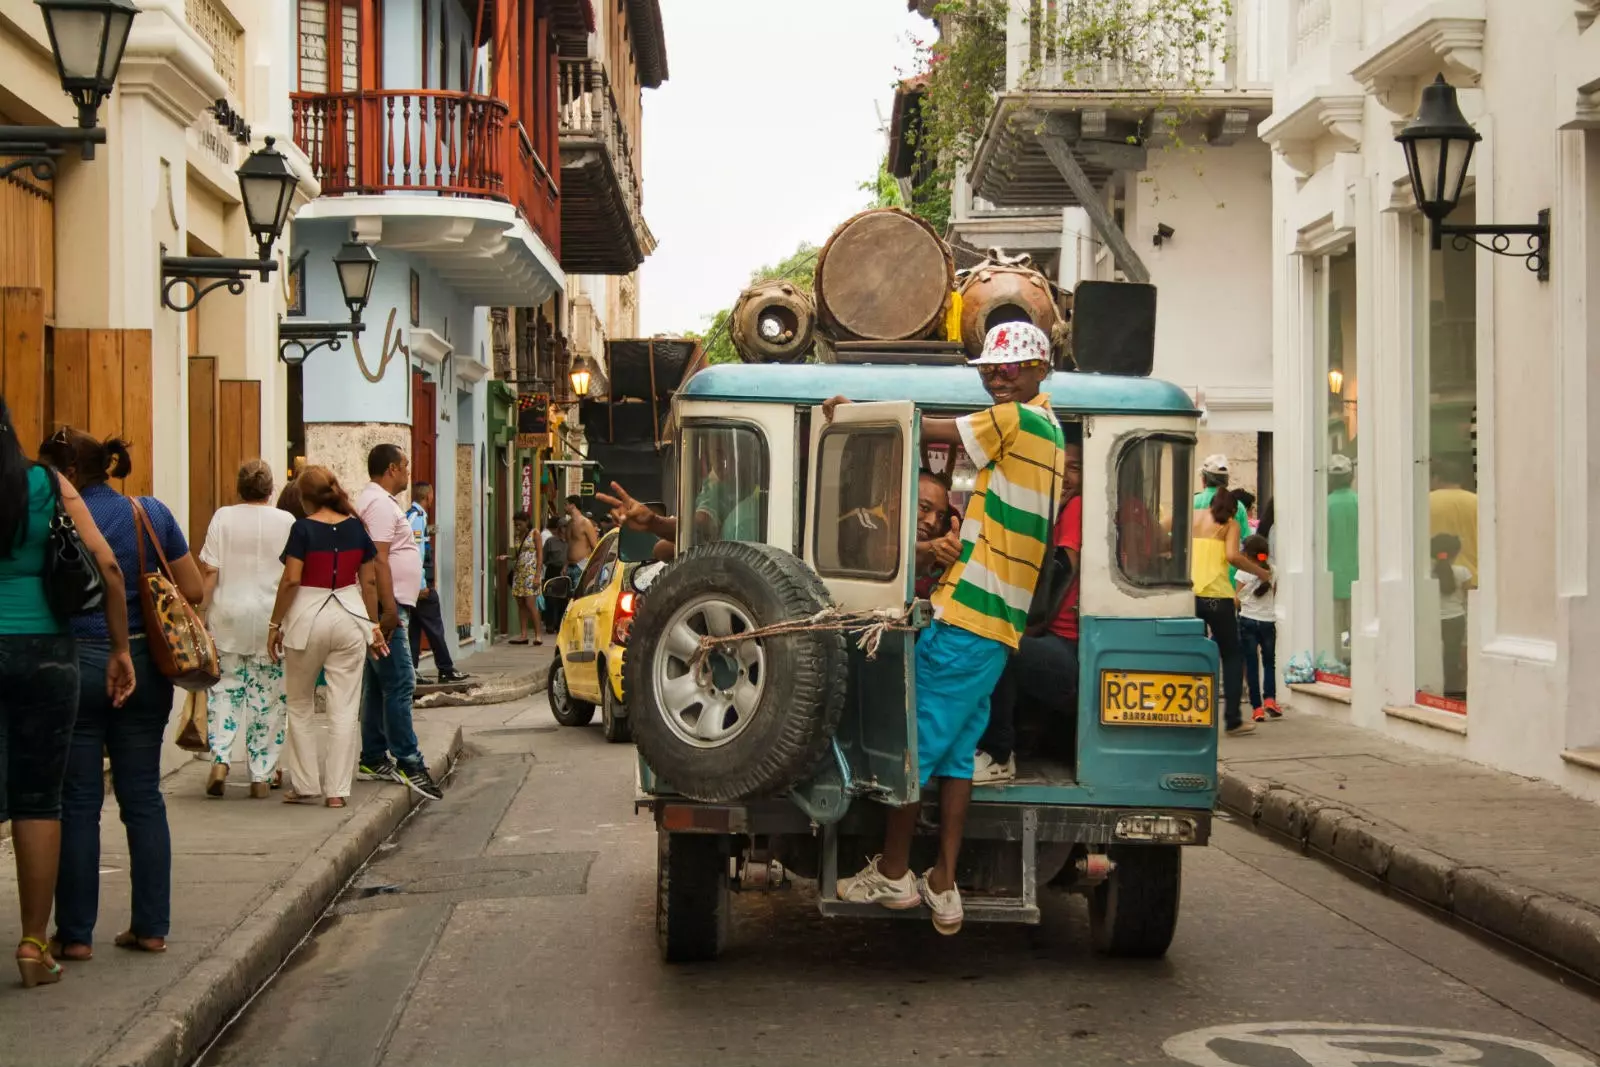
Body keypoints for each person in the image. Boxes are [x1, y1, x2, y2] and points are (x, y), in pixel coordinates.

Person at [829, 320, 1066, 936]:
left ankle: (897, 871)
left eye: (1009, 367)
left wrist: (861, 413)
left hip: (968, 617)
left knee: (913, 747)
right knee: (957, 755)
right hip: (997, 622)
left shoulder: (1018, 419)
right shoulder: (1051, 432)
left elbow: (930, 430)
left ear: (1039, 370)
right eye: (990, 368)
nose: (997, 376)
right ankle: (944, 881)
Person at [42, 428, 202, 958]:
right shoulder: (149, 512)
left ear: (63, 471)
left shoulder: (49, 515)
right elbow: (195, 588)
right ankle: (151, 927)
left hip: (75, 661)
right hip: (144, 664)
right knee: (142, 799)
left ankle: (74, 935)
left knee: (78, 802)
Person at [0, 400, 132, 986]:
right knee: (38, 800)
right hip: (47, 654)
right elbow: (108, 566)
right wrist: (121, 649)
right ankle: (33, 944)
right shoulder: (46, 482)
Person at [266, 466, 387, 808]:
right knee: (344, 708)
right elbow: (369, 583)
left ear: (304, 498)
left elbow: (291, 581)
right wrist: (373, 625)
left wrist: (275, 625)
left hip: (308, 617)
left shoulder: (302, 530)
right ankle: (337, 791)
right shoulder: (356, 528)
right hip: (350, 617)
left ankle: (305, 784)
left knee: (300, 702)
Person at [974, 441, 1083, 784]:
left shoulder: (1077, 507)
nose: (1065, 476)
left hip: (1072, 649)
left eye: (1075, 468)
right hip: (1059, 641)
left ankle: (998, 754)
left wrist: (1028, 624)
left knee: (998, 644)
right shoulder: (1052, 511)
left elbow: (1063, 569)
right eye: (1058, 466)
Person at [198, 460, 296, 799]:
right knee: (268, 699)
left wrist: (200, 611)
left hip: (228, 614)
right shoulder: (287, 522)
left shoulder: (223, 517)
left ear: (239, 489)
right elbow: (293, 575)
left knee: (224, 690)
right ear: (271, 490)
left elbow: (210, 571)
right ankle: (260, 775)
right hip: (271, 619)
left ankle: (222, 759)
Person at [355, 445, 442, 800]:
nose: (408, 472)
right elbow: (377, 559)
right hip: (388, 608)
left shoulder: (382, 502)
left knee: (379, 685)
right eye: (405, 466)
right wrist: (387, 610)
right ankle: (408, 760)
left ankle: (374, 756)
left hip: (391, 605)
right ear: (392, 468)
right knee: (402, 682)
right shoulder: (377, 504)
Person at [1193, 485, 1272, 737]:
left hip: (1191, 594)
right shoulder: (1230, 524)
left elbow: (1163, 528)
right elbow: (1231, 556)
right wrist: (1259, 571)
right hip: (1217, 597)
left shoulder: (1194, 517)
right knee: (1231, 654)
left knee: (1191, 650)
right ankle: (1233, 719)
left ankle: (1189, 711)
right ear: (1233, 510)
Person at [406, 482, 468, 684]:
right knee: (434, 627)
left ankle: (412, 670)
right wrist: (421, 584)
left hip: (413, 585)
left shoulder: (412, 516)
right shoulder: (418, 517)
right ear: (428, 496)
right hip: (420, 586)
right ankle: (446, 669)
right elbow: (416, 553)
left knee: (414, 629)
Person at [1236, 532, 1281, 723]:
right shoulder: (1273, 571)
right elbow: (1274, 593)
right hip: (1268, 621)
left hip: (1247, 621)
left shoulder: (1243, 573)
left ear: (1246, 555)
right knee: (1269, 662)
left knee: (1252, 666)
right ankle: (1270, 699)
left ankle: (1257, 708)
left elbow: (1237, 601)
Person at [1327, 453, 1359, 667]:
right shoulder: (1360, 502)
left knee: (1334, 631)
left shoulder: (1324, 505)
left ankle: (1337, 669)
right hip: (1359, 576)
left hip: (1332, 578)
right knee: (1357, 628)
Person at [1433, 532, 1472, 699]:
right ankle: (1452, 692)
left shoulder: (1427, 573)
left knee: (1435, 656)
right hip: (1456, 620)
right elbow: (1469, 598)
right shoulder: (1463, 572)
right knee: (1452, 656)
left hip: (1433, 620)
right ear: (1455, 553)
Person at [1429, 459, 1478, 585]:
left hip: (1436, 579)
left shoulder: (1425, 503)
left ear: (1436, 478)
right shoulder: (1477, 502)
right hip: (1472, 579)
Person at [914, 469, 960, 599]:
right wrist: (929, 549)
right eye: (924, 508)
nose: (933, 522)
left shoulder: (940, 566)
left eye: (940, 516)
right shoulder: (870, 521)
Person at [509, 514, 545, 646]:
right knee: (521, 605)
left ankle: (538, 635)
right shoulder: (517, 536)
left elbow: (540, 555)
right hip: (519, 573)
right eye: (516, 525)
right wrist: (507, 557)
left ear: (527, 522)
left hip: (531, 573)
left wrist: (537, 575)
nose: (518, 527)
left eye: (520, 524)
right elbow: (518, 555)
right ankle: (523, 635)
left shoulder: (535, 534)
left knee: (530, 604)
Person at [540, 516, 570, 628]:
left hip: (565, 571)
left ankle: (560, 625)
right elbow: (544, 557)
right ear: (559, 528)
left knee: (563, 599)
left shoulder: (570, 542)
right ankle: (550, 624)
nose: (565, 529)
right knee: (551, 598)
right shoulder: (550, 541)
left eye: (567, 527)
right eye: (564, 527)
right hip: (552, 569)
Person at [565, 495, 598, 582]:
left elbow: (595, 546)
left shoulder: (586, 523)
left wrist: (591, 567)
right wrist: (565, 565)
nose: (564, 507)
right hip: (569, 567)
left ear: (572, 505)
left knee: (580, 595)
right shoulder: (569, 524)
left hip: (582, 567)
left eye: (566, 504)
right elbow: (569, 547)